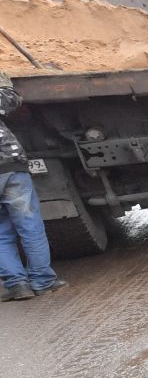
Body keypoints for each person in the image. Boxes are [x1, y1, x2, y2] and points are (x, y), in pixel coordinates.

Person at [0, 75, 68, 301]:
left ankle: (17, 285)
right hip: (9, 165)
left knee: (0, 234)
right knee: (30, 226)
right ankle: (43, 280)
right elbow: (9, 99)